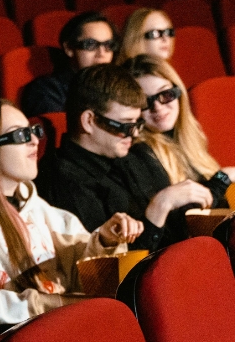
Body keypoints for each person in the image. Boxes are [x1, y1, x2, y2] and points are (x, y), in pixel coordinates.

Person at [0, 99, 138, 325]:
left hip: (69, 325)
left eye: (33, 131)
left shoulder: (34, 204)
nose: (34, 141)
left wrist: (105, 241)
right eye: (19, 135)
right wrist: (48, 305)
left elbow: (89, 281)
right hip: (27, 339)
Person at [37, 63, 213, 251]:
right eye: (125, 126)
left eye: (137, 123)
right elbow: (106, 271)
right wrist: (159, 208)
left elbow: (182, 227)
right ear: (89, 121)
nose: (135, 134)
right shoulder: (64, 182)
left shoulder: (133, 154)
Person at [122, 54, 233, 204]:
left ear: (178, 93)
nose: (158, 107)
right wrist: (223, 178)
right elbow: (188, 219)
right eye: (145, 102)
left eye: (165, 95)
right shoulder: (140, 154)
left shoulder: (189, 136)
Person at [20, 11, 117, 116]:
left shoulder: (116, 86)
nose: (101, 53)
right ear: (69, 48)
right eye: (90, 44)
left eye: (108, 45)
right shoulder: (48, 90)